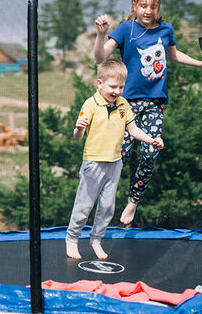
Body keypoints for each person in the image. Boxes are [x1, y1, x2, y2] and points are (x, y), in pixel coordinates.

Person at [93, 0, 202, 225]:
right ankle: (104, 196)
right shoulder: (126, 29)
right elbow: (100, 58)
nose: (148, 11)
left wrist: (201, 63)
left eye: (153, 7)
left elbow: (173, 55)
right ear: (134, 6)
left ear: (158, 9)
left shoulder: (166, 29)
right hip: (126, 103)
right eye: (143, 6)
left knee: (150, 152)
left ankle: (133, 201)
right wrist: (101, 35)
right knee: (121, 154)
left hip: (155, 102)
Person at [66, 59, 164, 260]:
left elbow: (134, 130)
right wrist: (78, 128)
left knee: (107, 207)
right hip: (94, 162)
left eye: (121, 87)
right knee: (84, 205)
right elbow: (77, 137)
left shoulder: (123, 105)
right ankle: (72, 238)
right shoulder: (91, 104)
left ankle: (96, 240)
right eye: (112, 87)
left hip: (114, 162)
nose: (117, 91)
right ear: (99, 83)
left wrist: (151, 140)